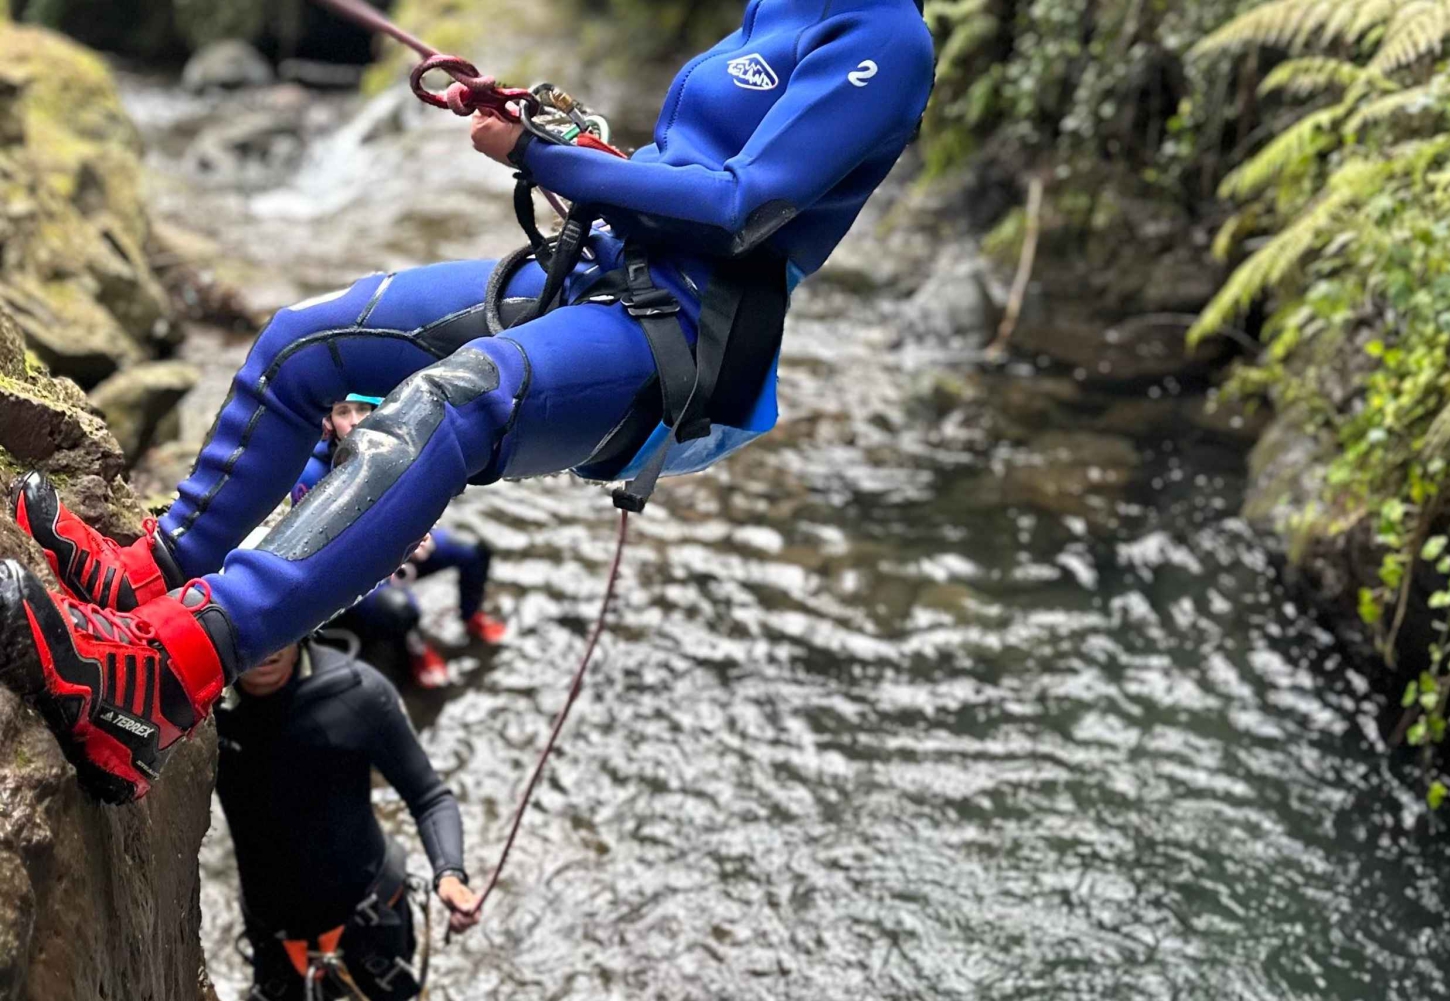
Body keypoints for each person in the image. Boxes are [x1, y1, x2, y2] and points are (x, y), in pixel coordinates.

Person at [0, 0, 936, 803]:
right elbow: (687, 163)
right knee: (303, 342)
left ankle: (160, 674)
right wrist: (571, 139)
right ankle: (149, 573)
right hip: (606, 270)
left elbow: (739, 203)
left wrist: (549, 156)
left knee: (447, 404)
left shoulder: (884, 39)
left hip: (682, 337)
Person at [219, 637, 479, 1000]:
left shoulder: (357, 692)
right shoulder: (198, 709)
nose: (267, 646)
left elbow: (429, 797)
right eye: (253, 632)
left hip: (370, 923)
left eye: (281, 627)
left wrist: (449, 873)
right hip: (274, 939)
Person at [298, 394, 509, 689]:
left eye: (362, 410)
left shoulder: (395, 449)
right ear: (330, 422)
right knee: (400, 609)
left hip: (397, 547)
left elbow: (419, 498)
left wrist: (420, 530)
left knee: (473, 551)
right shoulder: (310, 474)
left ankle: (471, 614)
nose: (356, 420)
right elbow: (315, 546)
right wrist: (394, 546)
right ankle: (416, 650)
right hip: (346, 570)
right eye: (343, 412)